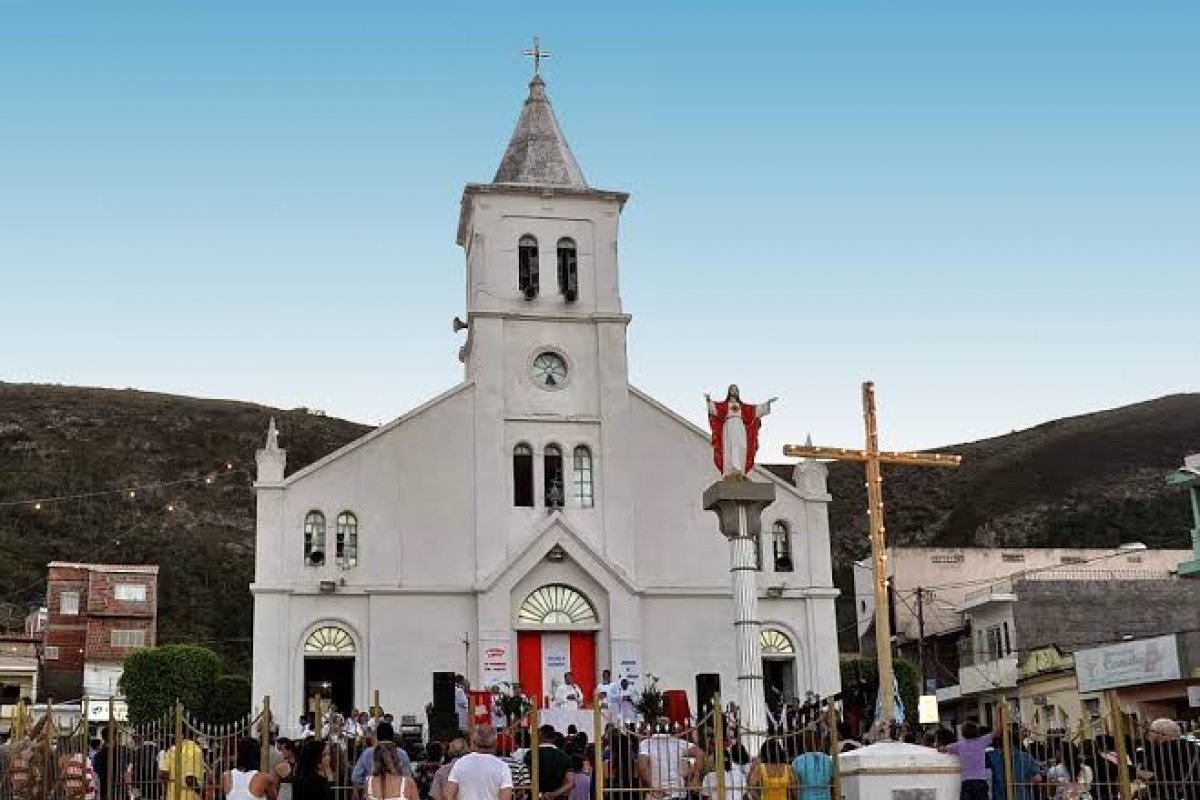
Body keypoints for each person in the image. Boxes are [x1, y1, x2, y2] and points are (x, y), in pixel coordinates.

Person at [706, 385, 775, 477]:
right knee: (729, 447)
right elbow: (714, 409)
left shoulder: (743, 407)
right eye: (732, 389)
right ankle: (730, 471)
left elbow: (755, 411)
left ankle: (740, 471)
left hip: (740, 427)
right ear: (729, 392)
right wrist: (708, 400)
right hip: (729, 427)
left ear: (738, 392)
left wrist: (767, 403)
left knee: (742, 446)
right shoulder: (724, 406)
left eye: (735, 390)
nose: (733, 391)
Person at [446, 725, 514, 800]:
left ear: (474, 742)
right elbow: (506, 797)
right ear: (495, 743)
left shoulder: (460, 763)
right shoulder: (502, 767)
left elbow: (449, 794)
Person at [1138, 718, 1198, 800]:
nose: (1149, 735)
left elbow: (1150, 775)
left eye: (1151, 731)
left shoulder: (1160, 751)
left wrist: (1133, 771)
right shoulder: (1194, 748)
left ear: (1160, 734)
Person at [985, 725, 1043, 800]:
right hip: (1021, 796)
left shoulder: (993, 756)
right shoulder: (1025, 757)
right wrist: (1022, 782)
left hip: (1000, 795)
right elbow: (1038, 778)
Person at [637, 721, 690, 800]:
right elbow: (700, 754)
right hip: (677, 792)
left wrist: (651, 787)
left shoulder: (646, 744)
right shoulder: (679, 743)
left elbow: (643, 767)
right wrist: (695, 776)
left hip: (656, 794)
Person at [943, 722, 993, 800]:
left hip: (966, 783)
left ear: (963, 734)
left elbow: (942, 749)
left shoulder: (959, 745)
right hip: (980, 781)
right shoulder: (982, 741)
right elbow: (997, 732)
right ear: (976, 731)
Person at [525, 725, 574, 800]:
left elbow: (526, 777)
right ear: (554, 738)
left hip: (535, 796)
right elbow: (570, 782)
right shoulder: (564, 756)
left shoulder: (529, 755)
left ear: (539, 737)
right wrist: (554, 794)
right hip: (557, 797)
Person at [791, 730, 833, 800]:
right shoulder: (827, 759)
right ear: (819, 743)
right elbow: (832, 782)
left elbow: (795, 788)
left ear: (804, 744)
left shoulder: (797, 762)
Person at [161, 736, 206, 800]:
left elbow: (164, 774)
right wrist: (202, 793)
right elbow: (190, 779)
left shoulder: (172, 750)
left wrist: (169, 792)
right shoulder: (195, 750)